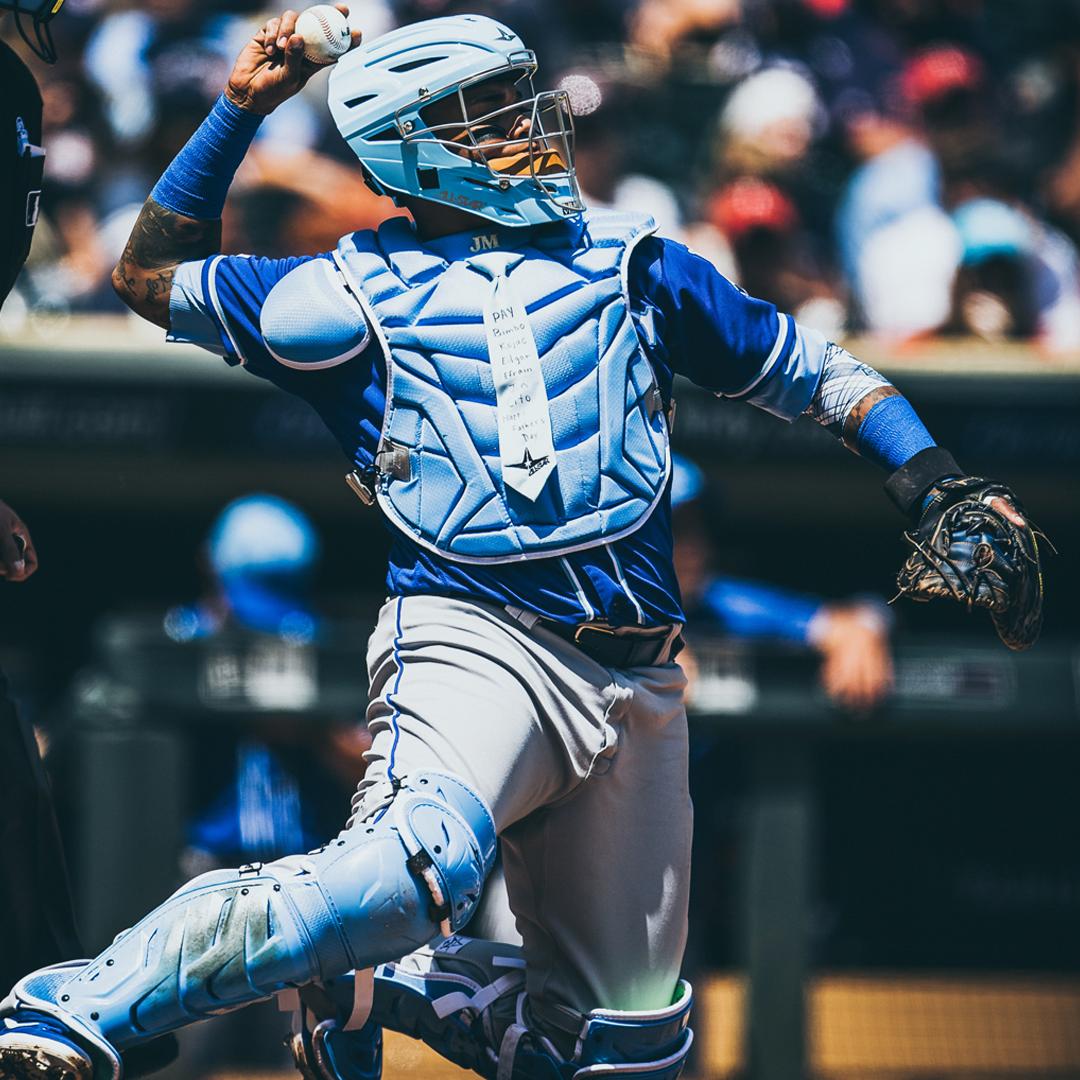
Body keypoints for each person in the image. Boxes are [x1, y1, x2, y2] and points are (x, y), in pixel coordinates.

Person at [0, 12, 1032, 1080]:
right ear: (407, 147)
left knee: (621, 1054)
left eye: (514, 104)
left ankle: (391, 979)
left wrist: (932, 475)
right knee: (404, 873)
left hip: (639, 676)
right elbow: (150, 276)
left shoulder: (634, 262)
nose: (522, 130)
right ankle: (74, 1007)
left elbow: (812, 369)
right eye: (482, 116)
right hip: (473, 637)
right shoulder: (344, 291)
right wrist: (240, 108)